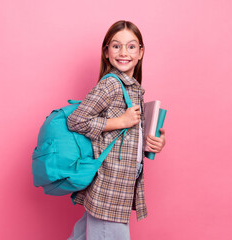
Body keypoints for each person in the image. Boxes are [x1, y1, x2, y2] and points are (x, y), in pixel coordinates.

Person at [66, 20, 166, 240]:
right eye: (116, 46)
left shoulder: (133, 88)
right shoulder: (110, 85)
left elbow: (127, 138)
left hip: (119, 186)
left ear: (140, 53)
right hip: (109, 189)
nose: (124, 52)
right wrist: (121, 121)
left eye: (131, 46)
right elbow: (76, 121)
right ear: (106, 52)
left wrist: (153, 141)